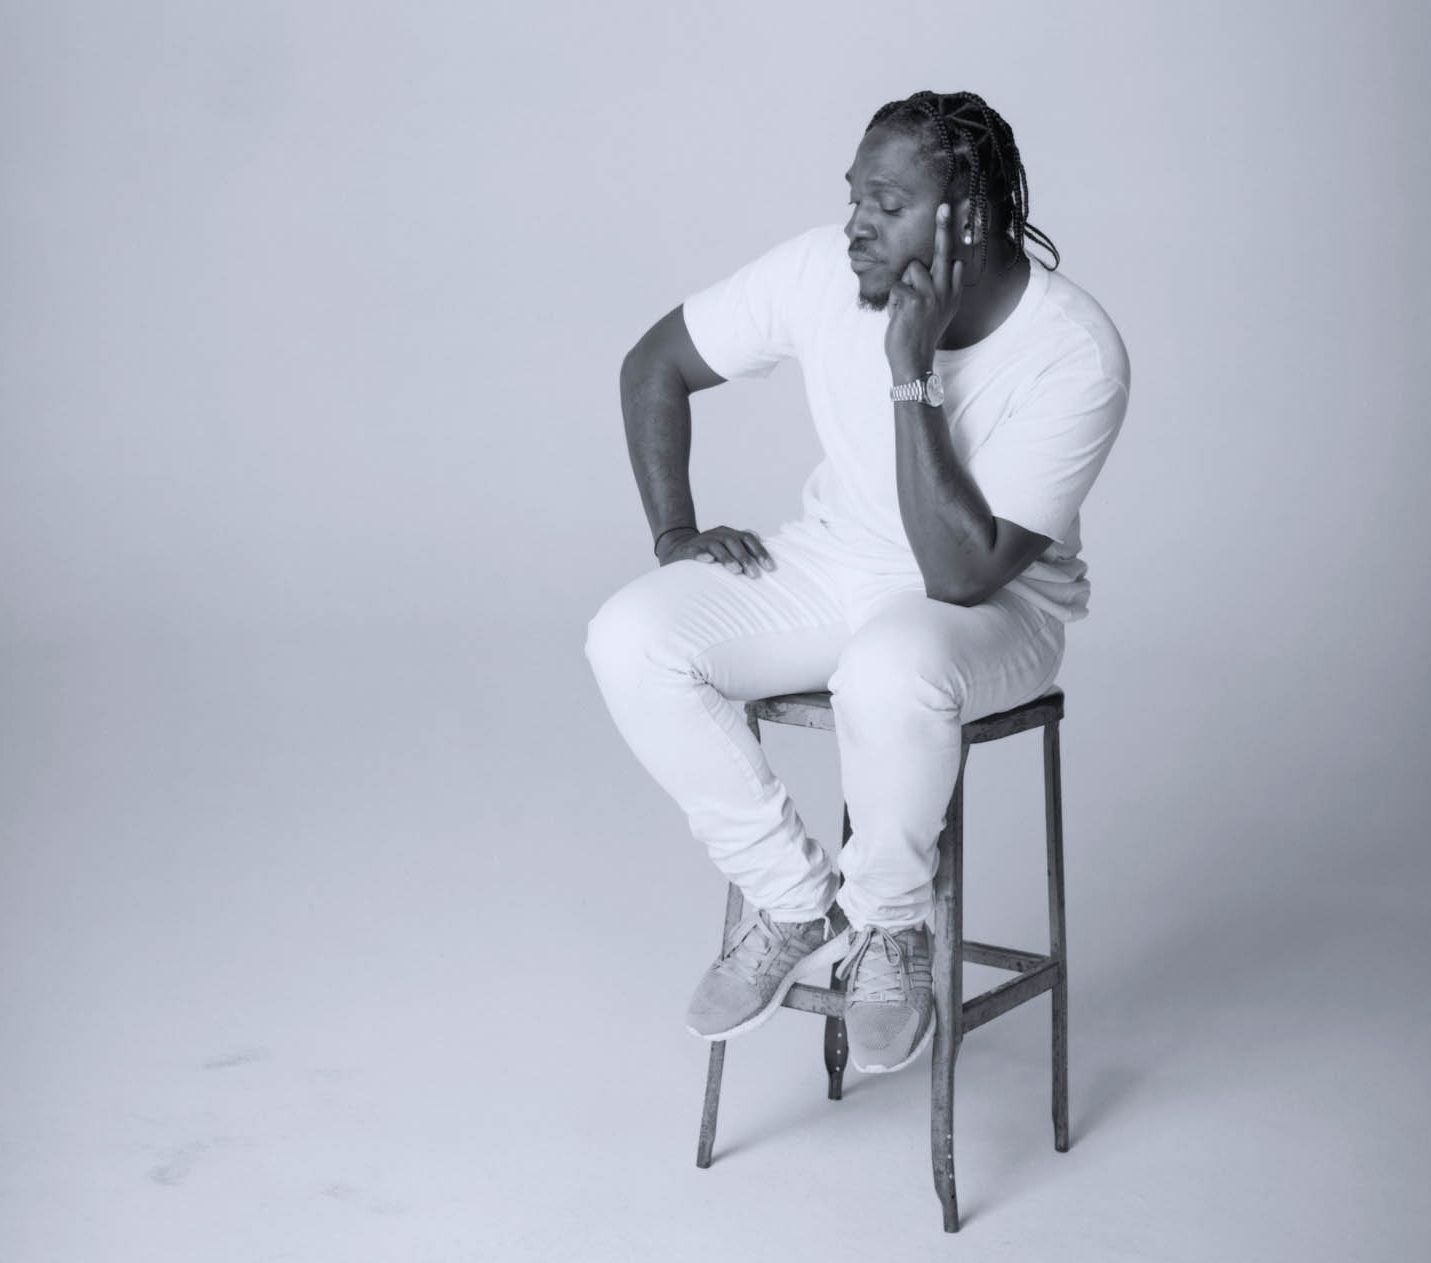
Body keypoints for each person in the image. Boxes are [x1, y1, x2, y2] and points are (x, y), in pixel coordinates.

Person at [583, 90, 1130, 1075]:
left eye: (886, 204)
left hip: (996, 608)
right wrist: (675, 532)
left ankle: (890, 928)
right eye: (853, 198)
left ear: (969, 218)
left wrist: (911, 366)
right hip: (833, 565)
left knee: (890, 666)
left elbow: (959, 574)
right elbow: (652, 364)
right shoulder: (819, 271)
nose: (855, 227)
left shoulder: (1073, 351)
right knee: (630, 637)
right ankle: (793, 902)